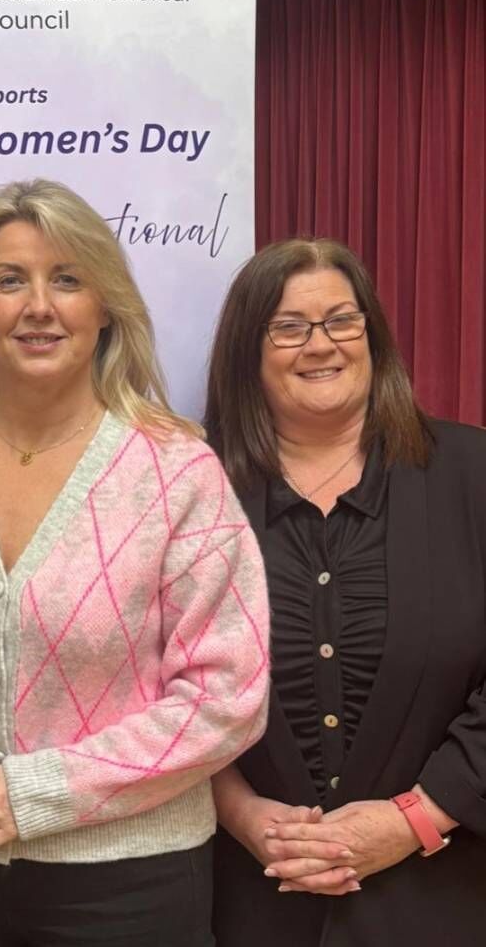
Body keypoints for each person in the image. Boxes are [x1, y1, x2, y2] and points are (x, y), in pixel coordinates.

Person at [0, 178, 270, 947]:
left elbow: (228, 696)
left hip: (129, 885)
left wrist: (41, 792)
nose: (39, 305)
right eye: (11, 281)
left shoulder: (174, 470)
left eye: (67, 279)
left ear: (105, 308)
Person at [205, 238, 486, 947]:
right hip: (248, 903)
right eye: (289, 327)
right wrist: (240, 814)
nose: (320, 344)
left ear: (374, 335)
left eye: (342, 320)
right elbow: (147, 680)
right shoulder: (190, 487)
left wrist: (415, 819)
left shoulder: (474, 474)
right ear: (248, 350)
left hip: (448, 899)